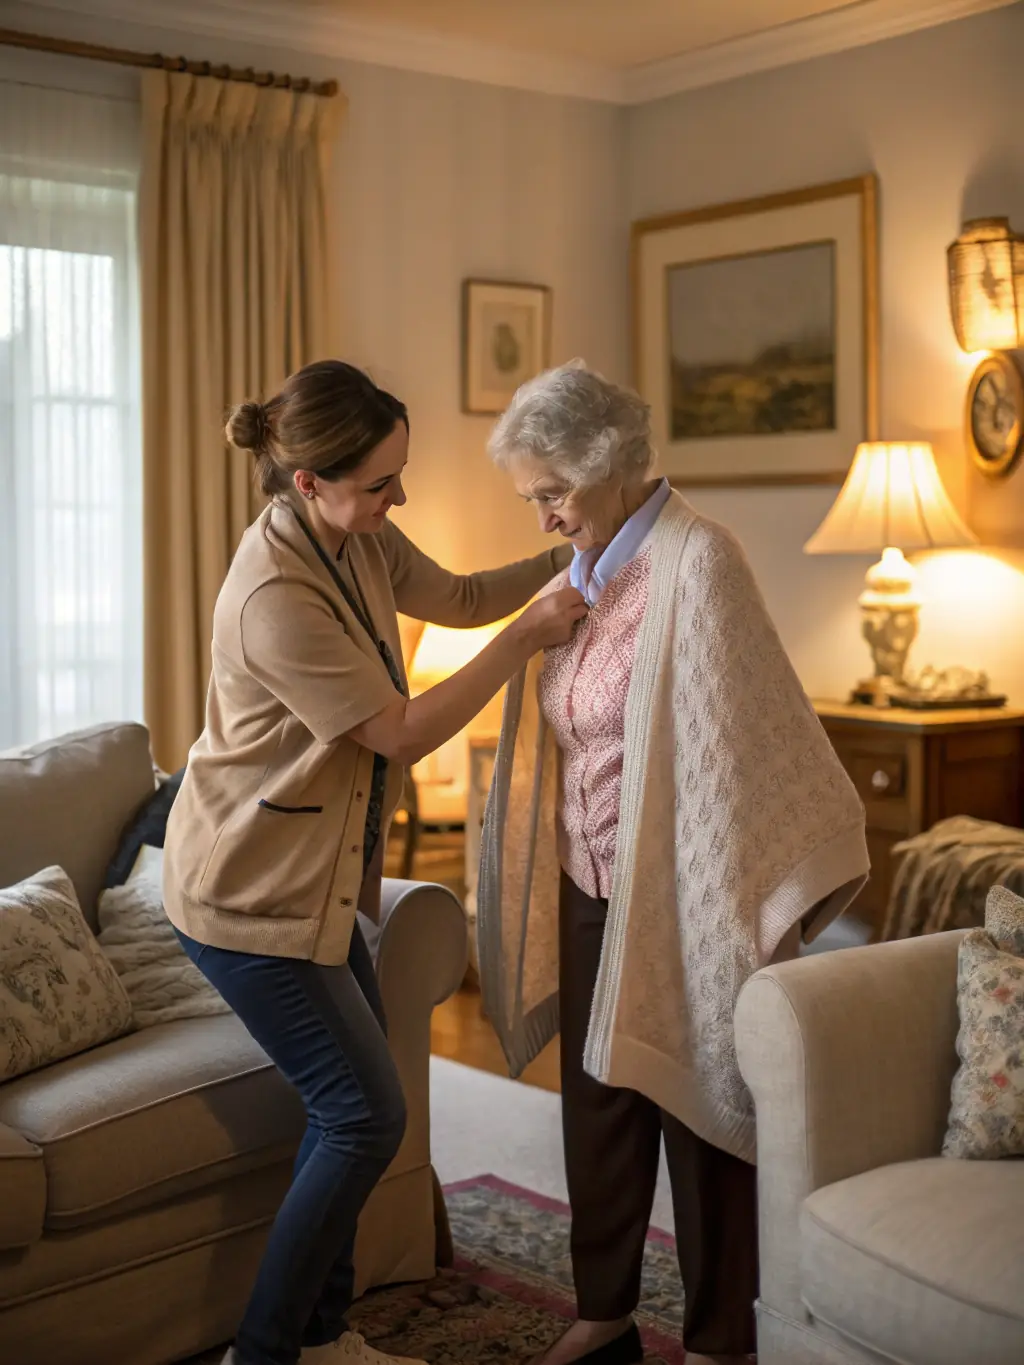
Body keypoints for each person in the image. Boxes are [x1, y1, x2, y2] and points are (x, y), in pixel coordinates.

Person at [161, 358, 587, 1365]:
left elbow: (464, 593)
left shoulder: (356, 534)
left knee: (350, 1109)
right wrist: (533, 635)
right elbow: (395, 733)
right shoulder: (273, 596)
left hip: (312, 884)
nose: (399, 499)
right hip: (246, 892)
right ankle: (267, 1352)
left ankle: (324, 1333)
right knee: (363, 1115)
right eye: (381, 484)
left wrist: (571, 555)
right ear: (309, 482)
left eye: (400, 475)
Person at [477, 362, 869, 1365]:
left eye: (552, 494)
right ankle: (603, 1312)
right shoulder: (579, 572)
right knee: (598, 1100)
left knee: (697, 1104)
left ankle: (715, 1337)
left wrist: (732, 882)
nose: (544, 519)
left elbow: (749, 729)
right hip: (585, 871)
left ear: (607, 464)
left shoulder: (700, 560)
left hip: (679, 885)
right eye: (533, 499)